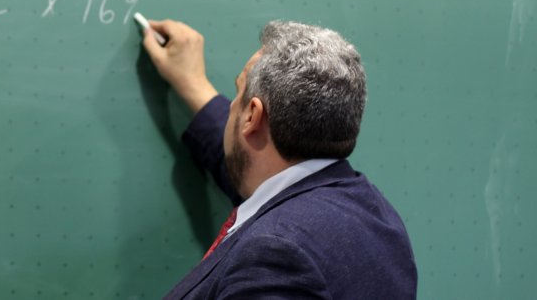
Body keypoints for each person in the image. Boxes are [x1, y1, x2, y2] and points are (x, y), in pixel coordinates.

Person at [139, 18, 417, 299]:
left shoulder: (276, 252)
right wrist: (193, 84)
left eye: (238, 93)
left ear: (252, 116)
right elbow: (250, 163)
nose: (232, 106)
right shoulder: (375, 215)